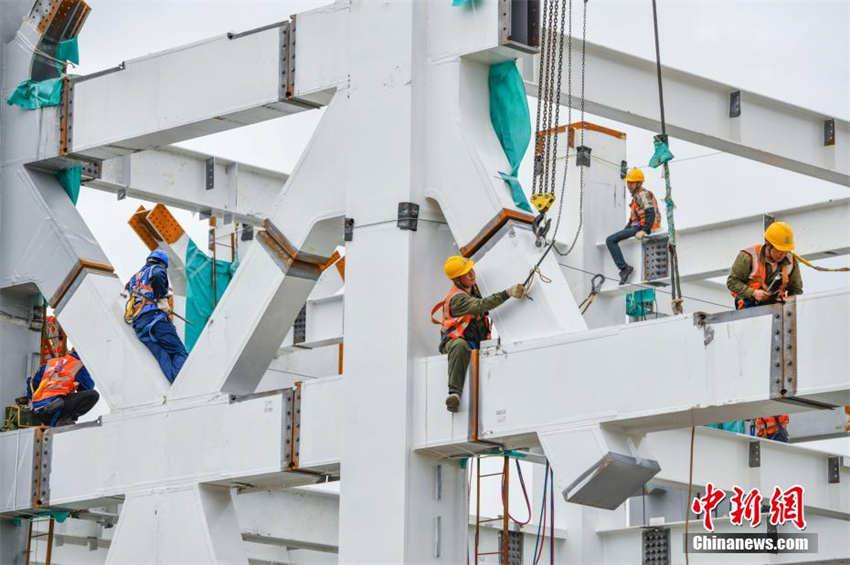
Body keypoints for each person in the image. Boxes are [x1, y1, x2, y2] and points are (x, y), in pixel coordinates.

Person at [435, 256, 526, 412]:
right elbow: (480, 305)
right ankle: (454, 393)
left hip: (477, 343)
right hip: (455, 342)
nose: (471, 274)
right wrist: (508, 293)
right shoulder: (457, 299)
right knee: (459, 345)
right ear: (457, 279)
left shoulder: (475, 289)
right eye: (466, 273)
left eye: (471, 269)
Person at [125, 250, 188, 383]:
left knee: (163, 355)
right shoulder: (157, 269)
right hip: (155, 318)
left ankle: (175, 384)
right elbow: (158, 275)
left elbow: (129, 289)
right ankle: (182, 383)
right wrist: (161, 298)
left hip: (139, 324)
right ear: (163, 263)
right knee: (179, 352)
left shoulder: (135, 277)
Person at [726, 221, 802, 310]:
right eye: (779, 250)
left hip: (777, 306)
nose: (782, 255)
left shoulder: (791, 261)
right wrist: (753, 293)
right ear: (768, 244)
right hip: (749, 306)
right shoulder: (748, 256)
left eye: (785, 251)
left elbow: (796, 290)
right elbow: (732, 282)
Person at [606, 168, 661, 285]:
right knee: (614, 238)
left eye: (632, 183)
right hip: (636, 227)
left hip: (640, 228)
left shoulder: (643, 194)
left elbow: (650, 212)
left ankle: (624, 268)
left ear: (639, 183)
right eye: (628, 182)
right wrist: (624, 232)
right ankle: (624, 267)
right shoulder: (636, 198)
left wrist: (645, 230)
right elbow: (632, 220)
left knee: (610, 240)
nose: (629, 185)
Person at [27, 350, 98, 426]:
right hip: (56, 406)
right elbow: (88, 388)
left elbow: (32, 382)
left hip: (38, 407)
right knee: (93, 395)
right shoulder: (80, 365)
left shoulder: (52, 362)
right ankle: (65, 419)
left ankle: (59, 418)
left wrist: (31, 398)